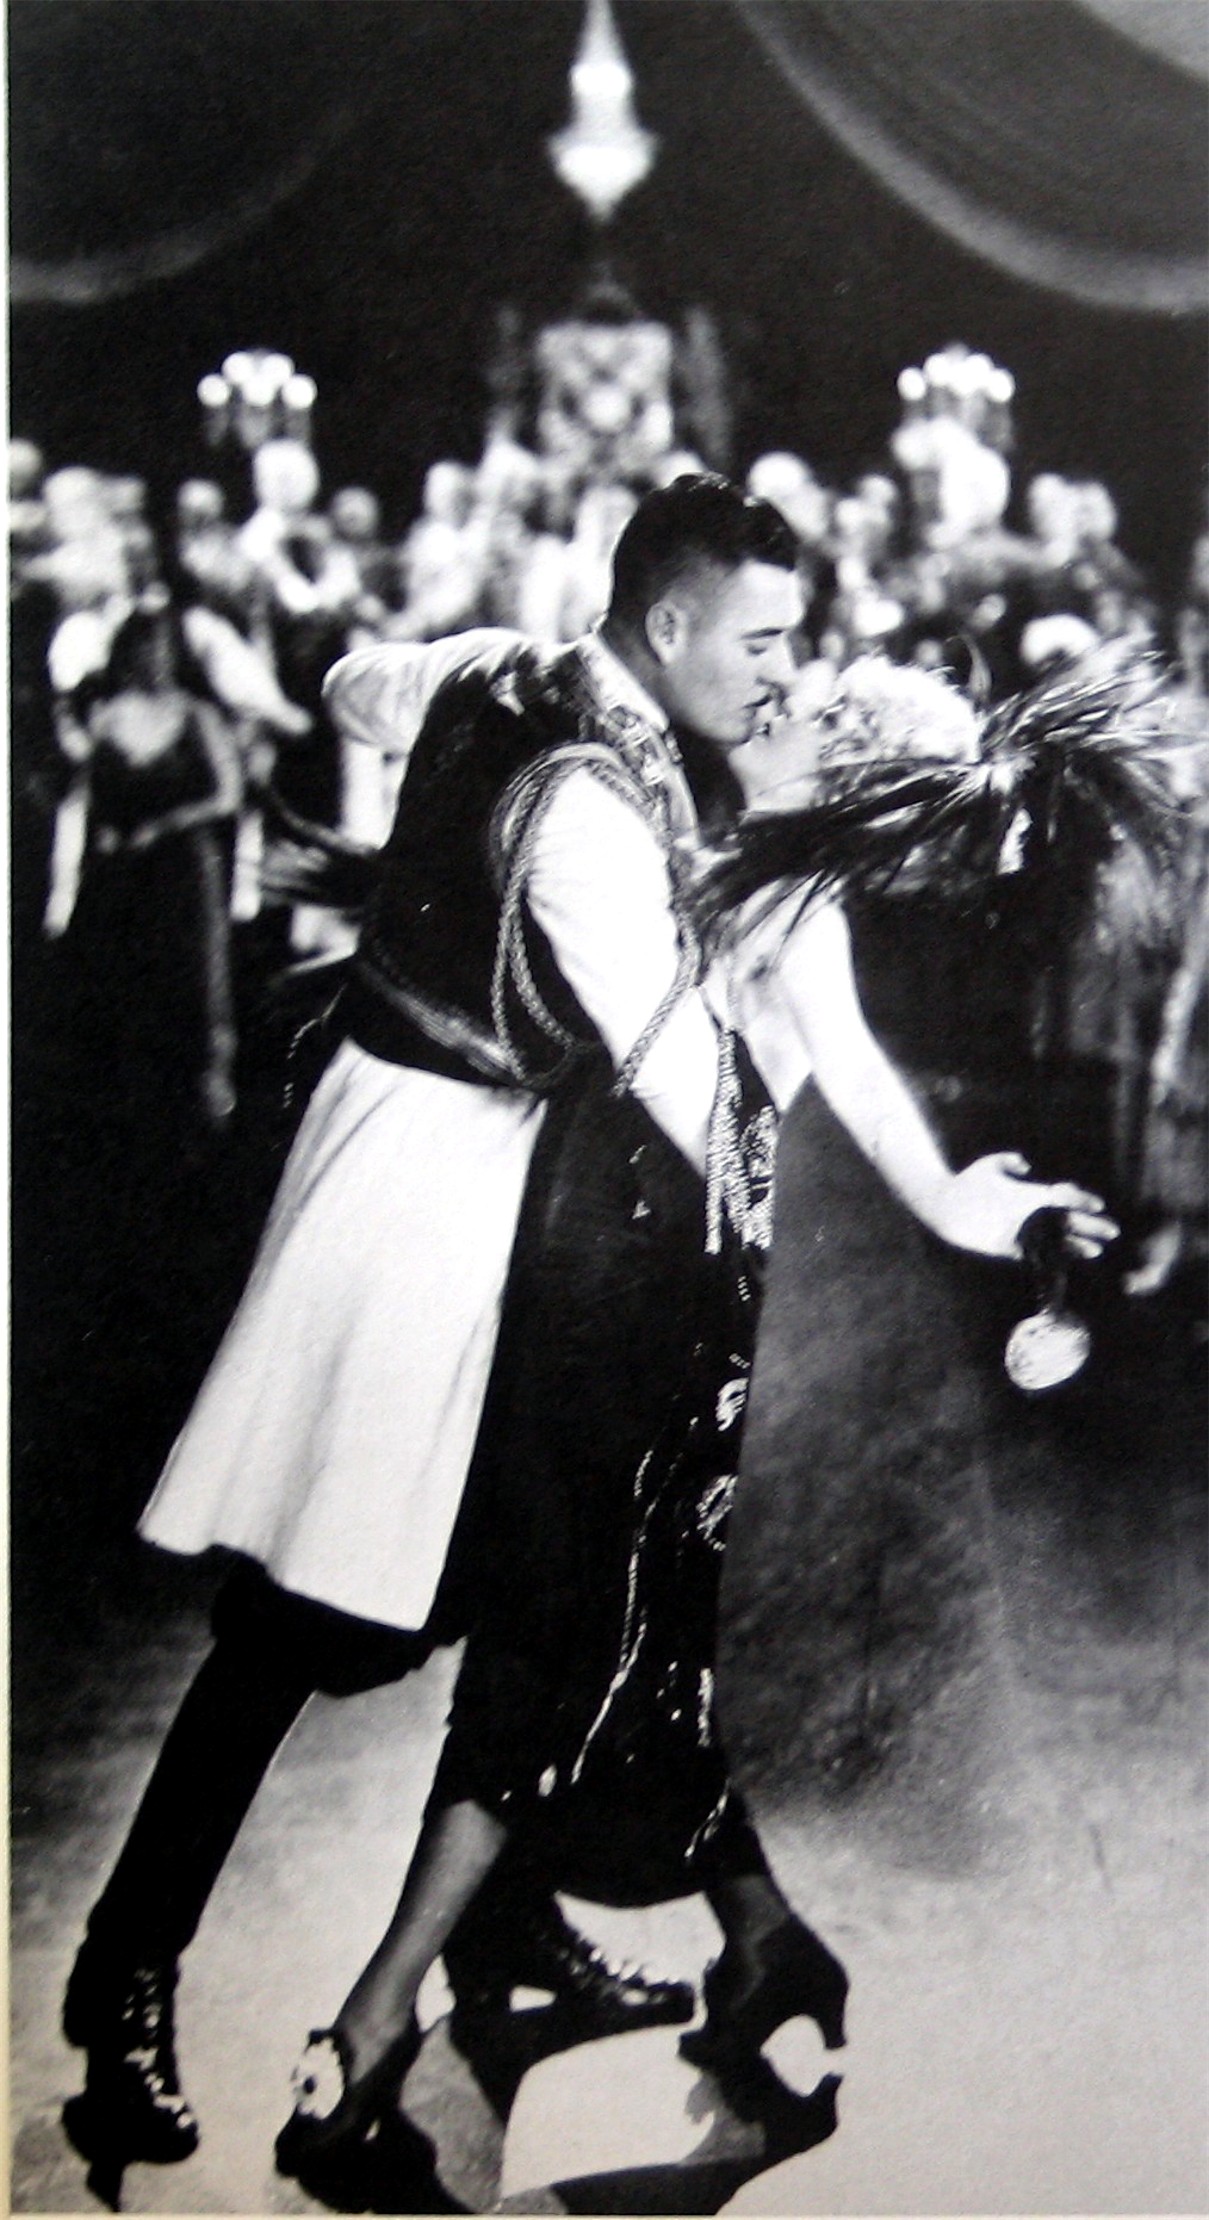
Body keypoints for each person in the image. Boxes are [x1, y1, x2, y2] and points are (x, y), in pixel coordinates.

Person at [235, 477, 1115, 2199]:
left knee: (601, 1654)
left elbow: (864, 1114)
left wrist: (985, 1213)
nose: (780, 706)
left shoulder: (773, 889)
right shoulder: (701, 860)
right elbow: (763, 1114)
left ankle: (728, 1951)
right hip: (625, 1299)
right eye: (781, 688)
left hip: (656, 1298)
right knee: (573, 1657)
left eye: (808, 710)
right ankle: (368, 2039)